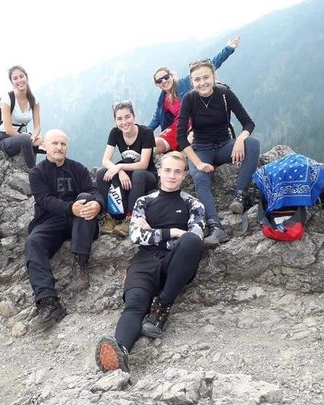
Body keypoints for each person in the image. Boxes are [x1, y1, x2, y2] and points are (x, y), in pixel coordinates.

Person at [95, 151, 205, 372]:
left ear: (184, 175)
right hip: (144, 261)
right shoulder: (143, 202)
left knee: (191, 242)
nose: (172, 175)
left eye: (177, 172)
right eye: (167, 170)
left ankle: (162, 307)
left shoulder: (194, 205)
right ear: (160, 172)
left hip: (175, 263)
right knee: (135, 304)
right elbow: (136, 236)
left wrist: (154, 232)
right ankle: (120, 352)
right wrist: (174, 232)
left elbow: (194, 237)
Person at [25, 129, 104, 331]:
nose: (59, 147)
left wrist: (97, 204)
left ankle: (80, 262)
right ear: (45, 146)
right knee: (33, 242)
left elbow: (94, 191)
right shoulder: (37, 173)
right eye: (55, 143)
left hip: (80, 220)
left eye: (63, 144)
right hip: (50, 220)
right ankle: (49, 302)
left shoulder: (78, 168)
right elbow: (44, 200)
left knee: (86, 197)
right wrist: (70, 208)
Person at [177, 59, 260, 247]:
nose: (202, 83)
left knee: (253, 144)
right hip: (201, 148)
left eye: (206, 77)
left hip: (225, 145)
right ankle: (215, 227)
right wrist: (198, 163)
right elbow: (181, 137)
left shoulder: (224, 94)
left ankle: (240, 196)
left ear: (214, 77)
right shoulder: (189, 99)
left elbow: (248, 123)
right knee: (200, 178)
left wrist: (240, 140)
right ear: (192, 81)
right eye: (197, 79)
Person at [148, 36, 240, 154]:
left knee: (190, 144)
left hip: (196, 124)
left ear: (171, 76)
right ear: (157, 85)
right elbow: (156, 120)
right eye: (160, 80)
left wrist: (229, 48)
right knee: (155, 145)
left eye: (166, 77)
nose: (164, 81)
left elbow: (211, 65)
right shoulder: (162, 100)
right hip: (177, 128)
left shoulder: (186, 83)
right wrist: (142, 133)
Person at [96, 101, 158, 237]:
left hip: (146, 175)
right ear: (115, 121)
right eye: (119, 119)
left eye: (127, 117)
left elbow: (143, 164)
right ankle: (111, 216)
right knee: (101, 174)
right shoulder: (115, 133)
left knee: (138, 174)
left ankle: (131, 217)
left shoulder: (146, 133)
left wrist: (119, 166)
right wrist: (119, 171)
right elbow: (105, 160)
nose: (124, 122)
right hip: (127, 173)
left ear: (134, 117)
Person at [0, 65, 42, 168]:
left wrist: (32, 138)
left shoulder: (34, 100)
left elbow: (37, 126)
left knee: (45, 140)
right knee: (25, 140)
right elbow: (9, 130)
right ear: (12, 82)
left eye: (21, 76)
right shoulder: (7, 99)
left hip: (23, 136)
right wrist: (29, 140)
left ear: (26, 77)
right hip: (5, 139)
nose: (19, 80)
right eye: (15, 78)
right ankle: (33, 171)